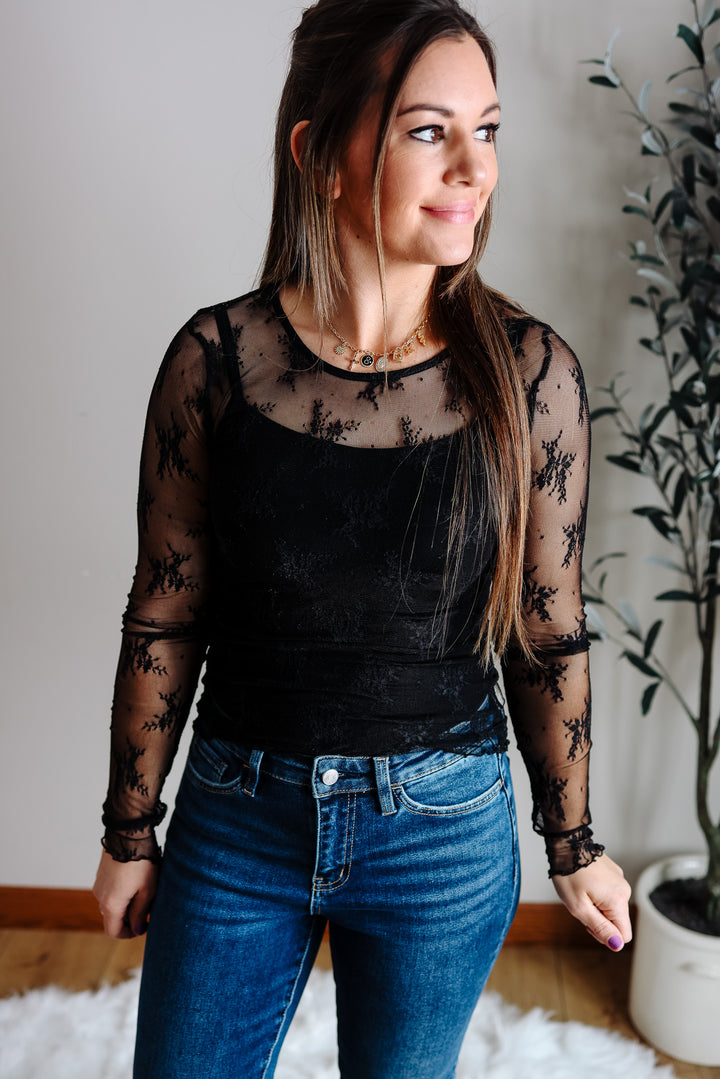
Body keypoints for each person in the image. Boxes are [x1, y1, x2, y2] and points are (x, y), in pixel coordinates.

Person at [93, 1, 632, 1075]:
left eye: (488, 130)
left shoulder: (532, 375)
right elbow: (166, 608)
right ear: (319, 154)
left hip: (442, 832)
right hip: (237, 818)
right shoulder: (215, 360)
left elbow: (546, 629)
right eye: (429, 130)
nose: (474, 168)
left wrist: (573, 841)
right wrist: (129, 830)